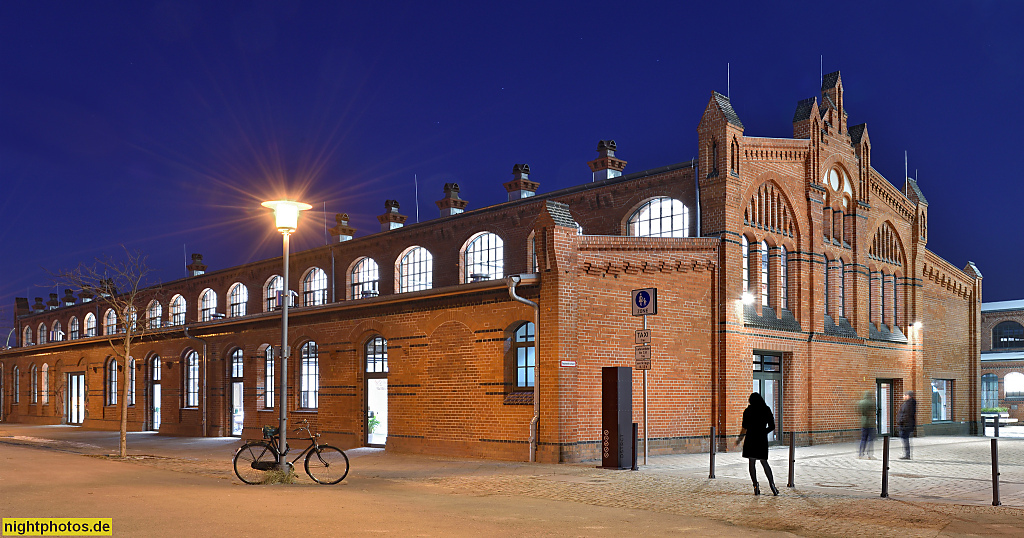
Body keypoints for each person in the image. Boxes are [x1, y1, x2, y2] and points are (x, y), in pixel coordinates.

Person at [735, 392, 779, 495]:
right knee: (764, 462)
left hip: (750, 438)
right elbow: (772, 426)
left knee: (752, 463)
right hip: (761, 439)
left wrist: (739, 439)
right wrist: (763, 432)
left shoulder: (748, 411)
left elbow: (744, 427)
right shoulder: (766, 409)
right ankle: (772, 485)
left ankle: (755, 485)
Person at [896, 390, 917, 460]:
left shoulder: (908, 404)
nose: (903, 396)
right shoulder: (909, 403)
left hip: (905, 424)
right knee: (905, 438)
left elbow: (906, 415)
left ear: (908, 396)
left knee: (905, 438)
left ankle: (907, 454)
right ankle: (907, 454)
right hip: (907, 424)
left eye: (904, 395)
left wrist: (900, 421)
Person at [857, 391, 876, 459]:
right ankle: (869, 455)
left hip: (864, 422)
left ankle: (860, 453)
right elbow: (875, 410)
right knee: (870, 439)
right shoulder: (872, 403)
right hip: (871, 422)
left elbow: (858, 411)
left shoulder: (861, 403)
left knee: (863, 439)